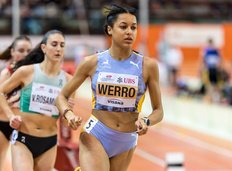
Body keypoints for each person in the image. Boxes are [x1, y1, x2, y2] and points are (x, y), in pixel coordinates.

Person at [56, 4, 164, 171]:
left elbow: (159, 111)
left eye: (133, 28)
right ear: (109, 30)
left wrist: (146, 121)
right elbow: (61, 96)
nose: (129, 32)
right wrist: (68, 114)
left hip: (127, 140)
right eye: (123, 26)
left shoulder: (148, 66)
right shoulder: (91, 62)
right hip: (97, 133)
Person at [0, 30, 77, 171]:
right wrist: (11, 116)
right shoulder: (26, 72)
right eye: (54, 44)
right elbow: (1, 91)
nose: (58, 48)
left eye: (62, 45)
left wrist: (68, 113)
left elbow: (66, 123)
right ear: (44, 48)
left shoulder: (69, 81)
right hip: (23, 138)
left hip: (49, 142)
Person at [0, 35, 32, 171]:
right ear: (12, 52)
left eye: (28, 51)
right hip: (3, 124)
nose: (25, 54)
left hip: (23, 126)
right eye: (21, 50)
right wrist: (10, 116)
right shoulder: (6, 73)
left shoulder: (33, 73)